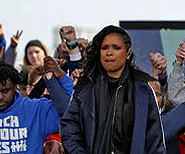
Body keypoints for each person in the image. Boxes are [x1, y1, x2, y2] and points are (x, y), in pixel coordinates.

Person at [60, 24, 165, 153]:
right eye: (104, 48)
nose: (109, 53)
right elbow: (69, 127)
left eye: (116, 48)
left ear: (128, 53)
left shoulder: (142, 88)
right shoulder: (85, 87)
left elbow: (154, 140)